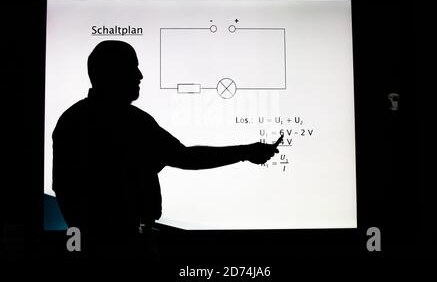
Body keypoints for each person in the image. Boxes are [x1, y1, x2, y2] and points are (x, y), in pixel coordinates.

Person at [52, 40, 280, 260]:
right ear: (113, 73)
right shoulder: (134, 123)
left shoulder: (72, 121)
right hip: (130, 246)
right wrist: (246, 152)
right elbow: (186, 157)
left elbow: (64, 190)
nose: (139, 76)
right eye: (133, 68)